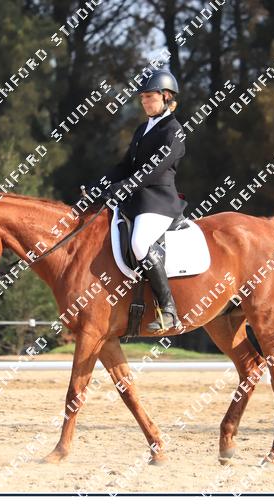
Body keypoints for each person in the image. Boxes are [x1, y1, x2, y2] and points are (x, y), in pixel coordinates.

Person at [92, 69, 186, 333]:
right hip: (136, 199)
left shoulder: (174, 131)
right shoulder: (143, 129)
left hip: (158, 202)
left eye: (149, 97)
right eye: (142, 97)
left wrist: (123, 187)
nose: (144, 102)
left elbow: (153, 170)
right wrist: (100, 185)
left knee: (139, 243)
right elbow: (125, 166)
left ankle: (169, 310)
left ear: (166, 97)